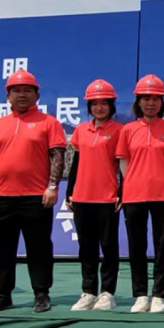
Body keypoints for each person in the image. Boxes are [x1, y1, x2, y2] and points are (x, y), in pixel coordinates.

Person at [0, 70, 66, 313]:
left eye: (27, 90)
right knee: (1, 249)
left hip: (36, 197)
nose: (22, 95)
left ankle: (41, 294)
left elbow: (57, 157)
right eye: (16, 90)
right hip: (0, 197)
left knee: (39, 248)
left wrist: (52, 187)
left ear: (37, 95)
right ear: (8, 96)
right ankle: (2, 295)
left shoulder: (49, 123)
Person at [116, 74, 164, 313]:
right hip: (134, 195)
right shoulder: (128, 130)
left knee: (163, 246)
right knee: (136, 246)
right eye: (146, 98)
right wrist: (132, 182)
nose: (151, 103)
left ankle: (159, 294)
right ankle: (140, 295)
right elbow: (124, 162)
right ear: (138, 102)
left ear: (162, 102)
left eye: (156, 99)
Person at [66, 79, 123, 311]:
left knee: (109, 247)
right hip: (82, 197)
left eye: (104, 103)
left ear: (111, 106)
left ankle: (107, 293)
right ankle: (88, 292)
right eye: (94, 103)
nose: (99, 108)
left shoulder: (119, 131)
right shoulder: (81, 130)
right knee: (86, 247)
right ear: (89, 106)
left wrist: (122, 192)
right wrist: (69, 192)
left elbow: (123, 166)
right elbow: (76, 163)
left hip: (107, 198)